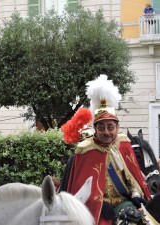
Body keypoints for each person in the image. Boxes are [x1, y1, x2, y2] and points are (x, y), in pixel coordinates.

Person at [65, 75, 151, 225]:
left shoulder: (123, 144)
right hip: (97, 210)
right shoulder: (85, 150)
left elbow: (132, 177)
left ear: (117, 127)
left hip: (125, 203)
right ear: (95, 129)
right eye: (101, 127)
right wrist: (98, 204)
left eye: (111, 127)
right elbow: (79, 190)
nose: (106, 132)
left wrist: (136, 194)